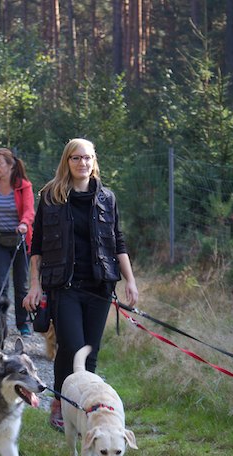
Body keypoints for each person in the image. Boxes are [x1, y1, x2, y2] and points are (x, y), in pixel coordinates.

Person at [22, 138, 139, 431]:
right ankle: (61, 403)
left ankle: (86, 407)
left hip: (99, 286)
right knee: (72, 347)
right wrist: (35, 286)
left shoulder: (107, 198)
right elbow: (37, 245)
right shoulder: (51, 196)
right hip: (65, 286)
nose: (82, 163)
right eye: (76, 158)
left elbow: (118, 241)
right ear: (67, 161)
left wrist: (130, 281)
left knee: (90, 352)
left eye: (87, 157)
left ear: (94, 161)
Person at [0, 148, 35, 336]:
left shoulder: (24, 186)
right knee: (0, 284)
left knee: (21, 285)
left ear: (11, 165)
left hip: (20, 239)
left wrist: (24, 223)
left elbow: (29, 210)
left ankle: (23, 323)